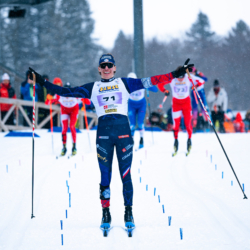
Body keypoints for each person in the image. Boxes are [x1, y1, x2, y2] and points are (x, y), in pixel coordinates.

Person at [28, 54, 193, 230]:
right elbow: (66, 92)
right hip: (104, 135)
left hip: (123, 134)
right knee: (105, 177)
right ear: (99, 69)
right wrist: (42, 82)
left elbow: (151, 81)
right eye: (103, 65)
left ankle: (128, 212)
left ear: (114, 68)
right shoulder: (93, 87)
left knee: (125, 175)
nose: (106, 68)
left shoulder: (125, 83)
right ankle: (105, 213)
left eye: (109, 65)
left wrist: (175, 74)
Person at [157, 67, 205, 155]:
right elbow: (160, 84)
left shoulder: (188, 77)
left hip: (186, 104)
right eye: (178, 77)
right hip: (176, 104)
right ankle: (176, 141)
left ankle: (189, 141)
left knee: (188, 124)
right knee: (176, 124)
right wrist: (165, 90)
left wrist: (195, 86)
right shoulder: (172, 78)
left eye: (182, 77)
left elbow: (202, 81)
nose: (180, 80)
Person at [45, 80, 86, 156]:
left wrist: (84, 99)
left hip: (74, 110)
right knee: (64, 129)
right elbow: (48, 102)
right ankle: (64, 147)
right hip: (64, 111)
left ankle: (74, 147)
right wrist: (49, 98)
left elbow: (87, 101)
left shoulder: (75, 94)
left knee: (72, 126)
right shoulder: (59, 95)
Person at [127, 72, 158, 149]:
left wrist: (148, 84)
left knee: (140, 122)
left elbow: (155, 90)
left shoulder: (141, 83)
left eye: (133, 80)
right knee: (132, 124)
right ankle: (131, 140)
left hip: (141, 105)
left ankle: (141, 139)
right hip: (131, 105)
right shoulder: (126, 85)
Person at [190, 67, 210, 132]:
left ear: (195, 71)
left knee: (203, 108)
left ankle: (206, 122)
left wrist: (200, 79)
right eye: (191, 72)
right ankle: (194, 125)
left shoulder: (199, 74)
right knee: (195, 109)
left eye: (193, 72)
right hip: (194, 92)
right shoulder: (189, 75)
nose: (192, 73)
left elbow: (205, 79)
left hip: (200, 92)